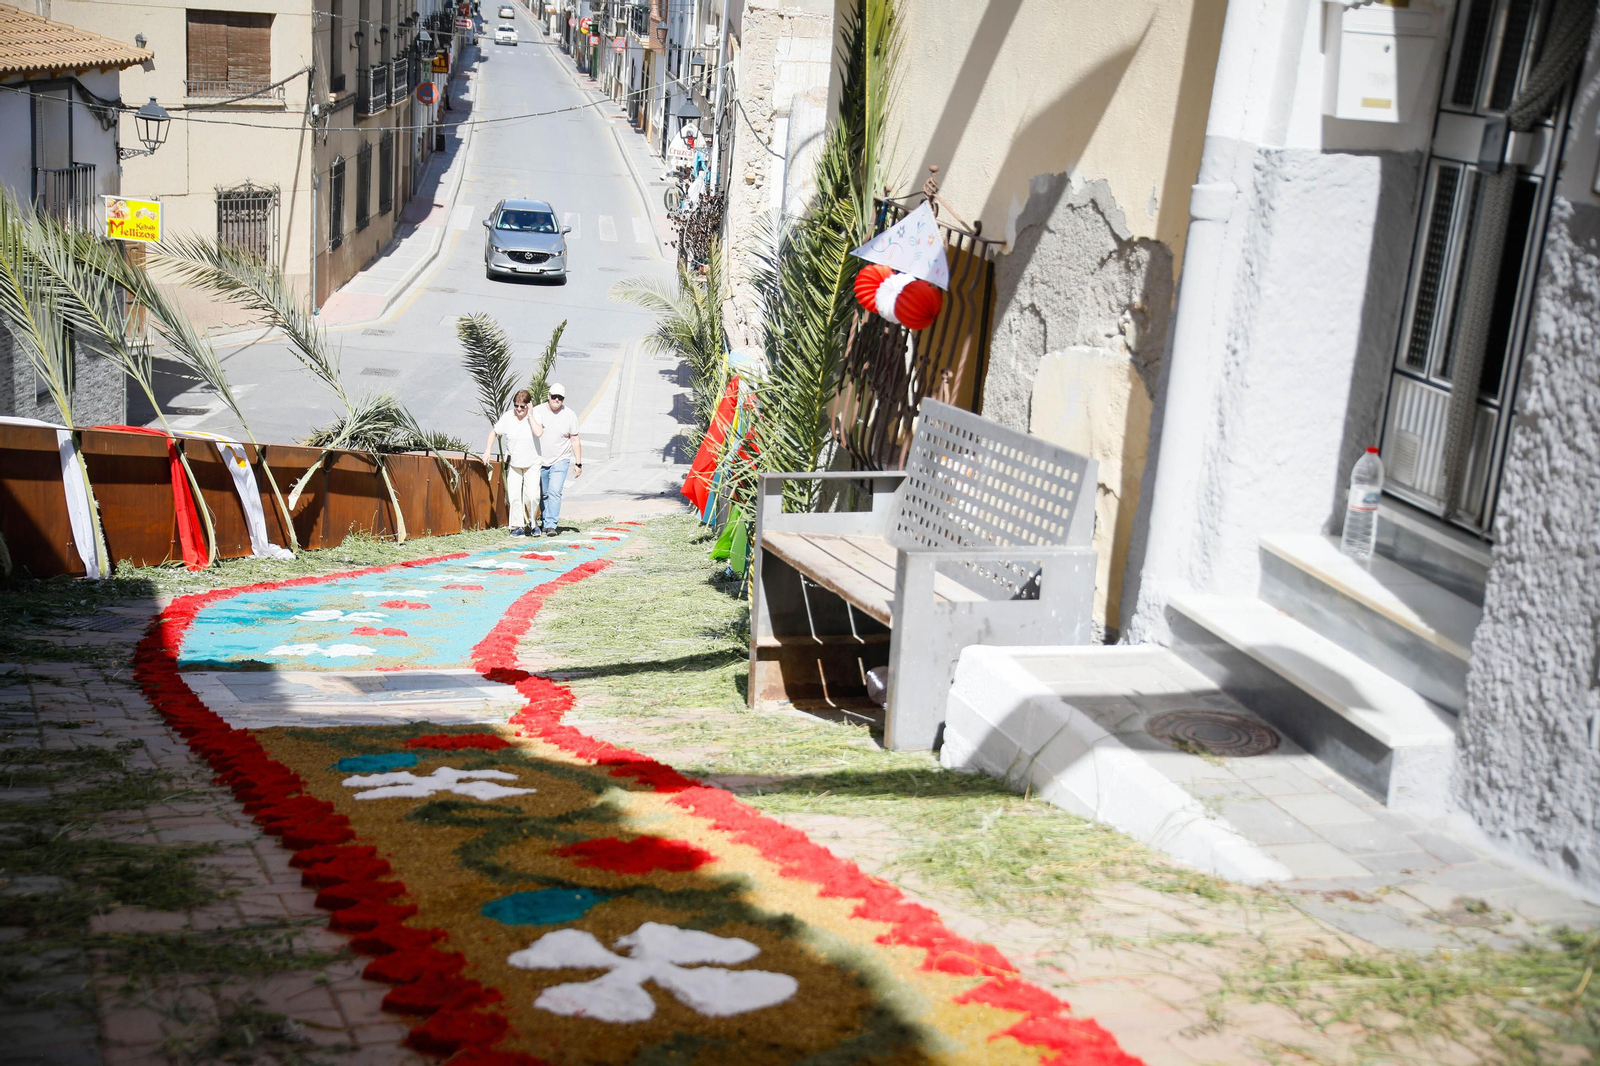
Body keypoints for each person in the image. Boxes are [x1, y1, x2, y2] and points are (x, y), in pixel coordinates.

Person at [481, 390, 545, 536]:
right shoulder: (508, 417)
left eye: (523, 406)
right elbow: (494, 433)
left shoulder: (535, 416)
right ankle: (518, 526)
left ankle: (533, 522)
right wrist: (487, 450)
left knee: (532, 495)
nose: (519, 409)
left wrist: (530, 415)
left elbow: (539, 432)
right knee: (514, 496)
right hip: (514, 463)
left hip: (532, 462)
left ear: (528, 405)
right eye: (516, 406)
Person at [529, 383, 581, 536]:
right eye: (554, 396)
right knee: (544, 493)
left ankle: (551, 524)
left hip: (561, 458)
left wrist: (578, 463)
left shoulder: (570, 415)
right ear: (549, 396)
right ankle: (545, 521)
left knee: (555, 491)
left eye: (560, 398)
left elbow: (575, 439)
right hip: (541, 459)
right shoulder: (537, 411)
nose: (557, 400)